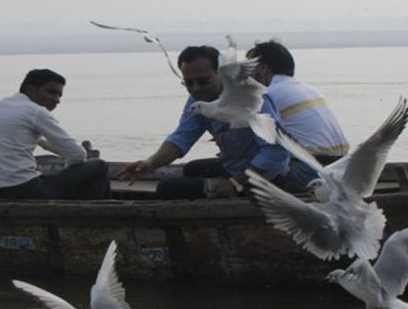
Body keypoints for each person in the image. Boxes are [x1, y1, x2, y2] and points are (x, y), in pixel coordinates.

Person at [117, 45, 314, 199]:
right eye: (189, 83)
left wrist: (235, 183)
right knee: (192, 169)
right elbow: (181, 138)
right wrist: (150, 163)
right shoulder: (199, 101)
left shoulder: (249, 97)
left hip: (267, 177)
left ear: (220, 74)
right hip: (234, 166)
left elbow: (275, 151)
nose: (195, 88)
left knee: (168, 188)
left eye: (203, 81)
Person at [0, 69, 110, 200]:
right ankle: (88, 216)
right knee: (99, 165)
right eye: (51, 92)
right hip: (25, 190)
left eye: (59, 95)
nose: (57, 100)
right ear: (31, 90)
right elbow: (78, 154)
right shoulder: (35, 111)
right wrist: (68, 172)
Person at [246, 40, 349, 163]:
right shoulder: (308, 88)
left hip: (312, 164)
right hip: (341, 161)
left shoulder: (268, 94)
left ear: (263, 68)